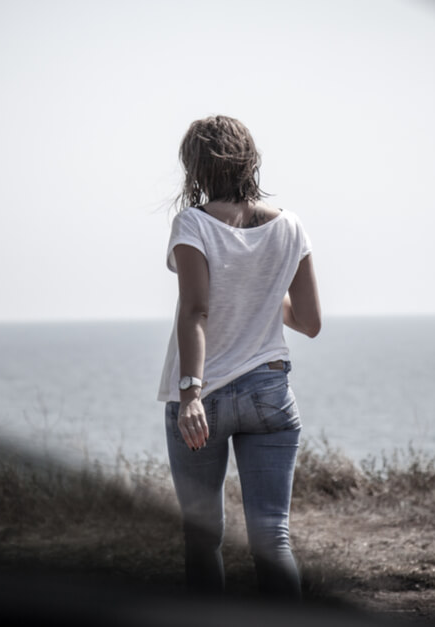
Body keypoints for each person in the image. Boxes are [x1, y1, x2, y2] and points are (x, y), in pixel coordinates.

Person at [158, 115, 322, 599]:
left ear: (196, 167)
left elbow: (196, 310)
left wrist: (190, 394)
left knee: (203, 539)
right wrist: (263, 290)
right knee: (273, 537)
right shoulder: (290, 226)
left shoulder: (193, 224)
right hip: (269, 391)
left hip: (204, 396)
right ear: (250, 160)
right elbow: (309, 322)